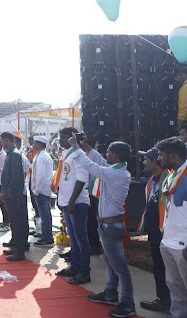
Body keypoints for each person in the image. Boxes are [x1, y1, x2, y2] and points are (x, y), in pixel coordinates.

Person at [70, 134, 136, 316]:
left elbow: (92, 166)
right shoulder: (116, 169)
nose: (106, 154)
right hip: (108, 224)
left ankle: (128, 303)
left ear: (115, 155)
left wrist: (76, 147)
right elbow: (98, 160)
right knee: (111, 262)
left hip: (111, 225)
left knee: (120, 267)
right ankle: (110, 293)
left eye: (108, 152)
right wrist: (87, 146)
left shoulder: (116, 173)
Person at [54, 127, 92, 285]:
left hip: (77, 203)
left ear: (72, 138)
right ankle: (75, 266)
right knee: (74, 238)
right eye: (60, 137)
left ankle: (85, 271)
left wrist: (71, 201)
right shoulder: (66, 154)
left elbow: (82, 179)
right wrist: (61, 198)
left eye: (63, 137)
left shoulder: (78, 154)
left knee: (81, 238)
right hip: (66, 202)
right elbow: (65, 178)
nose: (60, 140)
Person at [137, 147, 171, 313]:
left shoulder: (169, 178)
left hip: (166, 232)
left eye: (146, 159)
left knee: (166, 267)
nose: (144, 163)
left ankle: (167, 301)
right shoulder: (152, 180)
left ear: (156, 161)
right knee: (158, 265)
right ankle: (163, 299)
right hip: (155, 232)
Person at [156, 136, 187, 318]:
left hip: (183, 245)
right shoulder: (172, 175)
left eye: (161, 155)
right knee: (175, 288)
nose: (159, 158)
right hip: (168, 242)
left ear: (173, 155)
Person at [0, 132, 29, 261]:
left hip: (13, 194)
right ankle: (16, 246)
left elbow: (16, 176)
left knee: (17, 223)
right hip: (11, 193)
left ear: (7, 140)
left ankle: (19, 250)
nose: (1, 144)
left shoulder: (15, 155)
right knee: (15, 222)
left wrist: (9, 192)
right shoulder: (11, 154)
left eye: (2, 141)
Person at [31, 135, 55, 247]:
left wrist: (36, 190)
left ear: (39, 145)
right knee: (45, 214)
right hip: (44, 189)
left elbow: (40, 176)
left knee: (44, 215)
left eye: (35, 143)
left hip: (41, 190)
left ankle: (47, 238)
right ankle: (47, 236)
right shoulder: (43, 155)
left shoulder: (41, 157)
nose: (33, 144)